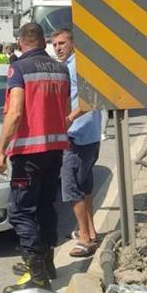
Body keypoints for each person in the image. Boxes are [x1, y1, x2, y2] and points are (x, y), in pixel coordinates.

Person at [0, 22, 71, 293]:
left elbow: (14, 113)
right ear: (43, 42)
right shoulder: (61, 69)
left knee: (20, 212)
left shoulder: (19, 68)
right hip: (55, 150)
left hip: (28, 154)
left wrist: (1, 150)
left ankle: (37, 277)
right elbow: (66, 111)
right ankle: (46, 264)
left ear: (21, 43)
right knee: (45, 206)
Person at [51, 29, 103, 258]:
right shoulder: (75, 64)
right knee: (85, 187)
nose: (58, 48)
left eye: (62, 43)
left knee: (72, 189)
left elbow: (91, 97)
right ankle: (91, 233)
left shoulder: (75, 66)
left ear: (72, 43)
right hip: (87, 135)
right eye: (54, 44)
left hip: (77, 135)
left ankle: (84, 238)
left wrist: (69, 118)